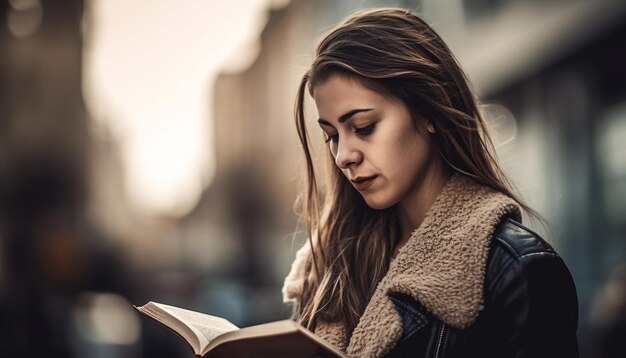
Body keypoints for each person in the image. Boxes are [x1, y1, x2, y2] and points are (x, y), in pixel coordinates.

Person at [281, 7, 579, 358]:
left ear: (428, 111)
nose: (344, 155)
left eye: (363, 127)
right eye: (331, 135)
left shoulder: (519, 271)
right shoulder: (328, 267)